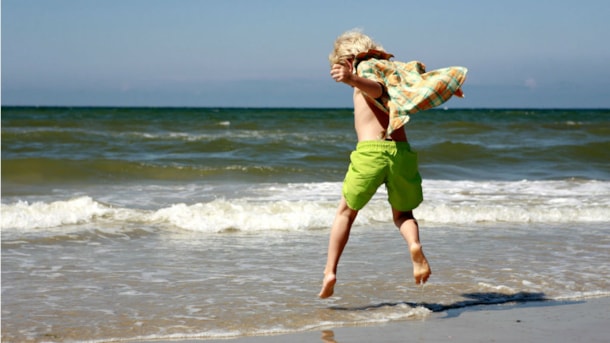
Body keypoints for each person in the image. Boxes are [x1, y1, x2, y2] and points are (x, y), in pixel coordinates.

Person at [318, 30, 467, 299]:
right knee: (403, 215)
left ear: (348, 60)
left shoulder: (365, 71)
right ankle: (414, 245)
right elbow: (418, 84)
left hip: (371, 152)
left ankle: (330, 271)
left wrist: (352, 78)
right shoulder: (391, 69)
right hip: (401, 153)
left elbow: (377, 91)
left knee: (345, 214)